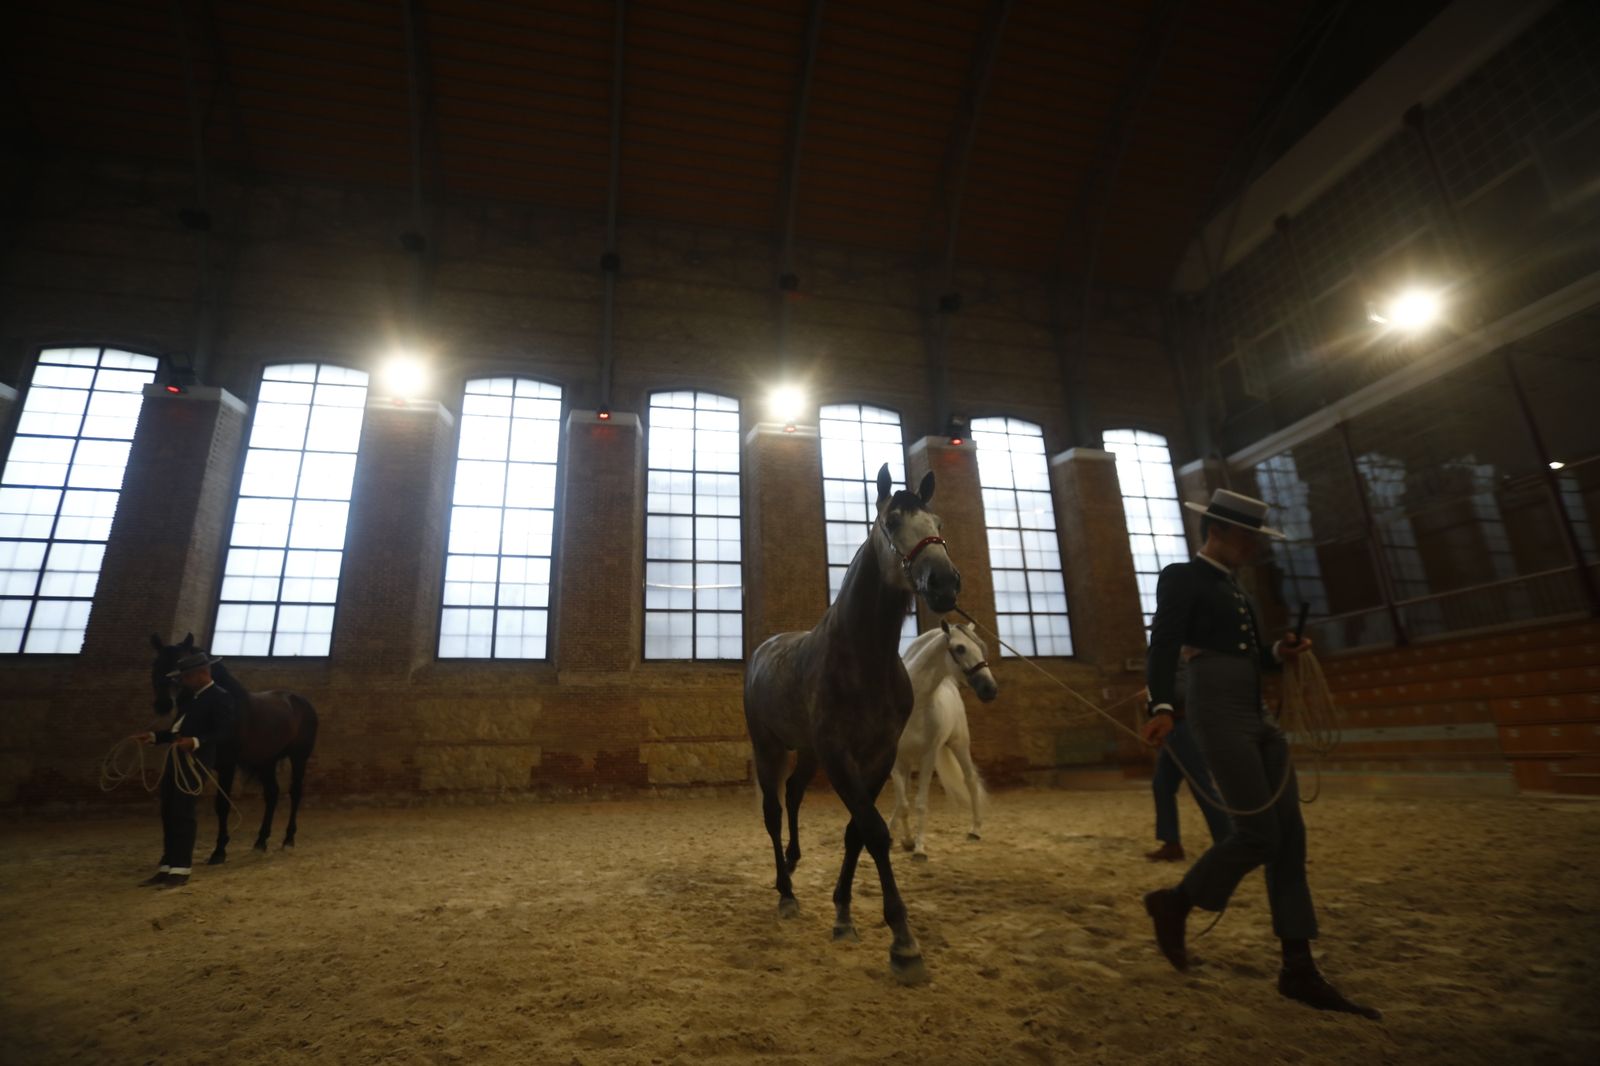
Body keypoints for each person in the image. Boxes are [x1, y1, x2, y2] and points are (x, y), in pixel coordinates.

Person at [1139, 489, 1379, 1020]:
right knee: (1258, 832)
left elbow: (1250, 653)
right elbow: (1164, 643)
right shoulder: (1183, 576)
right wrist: (1160, 704)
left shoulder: (1237, 590)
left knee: (1290, 838)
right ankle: (1175, 903)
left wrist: (1279, 653)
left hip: (1256, 707)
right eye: (1247, 536)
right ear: (1219, 531)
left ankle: (1298, 968)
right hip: (1216, 709)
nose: (1252, 547)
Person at [131, 651, 235, 888]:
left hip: (195, 762)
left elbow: (224, 731)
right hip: (176, 759)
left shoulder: (221, 697)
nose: (183, 681)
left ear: (202, 673)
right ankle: (167, 866)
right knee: (169, 811)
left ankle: (181, 869)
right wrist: (154, 736)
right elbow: (177, 731)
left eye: (186, 677)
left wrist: (196, 742)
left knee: (183, 812)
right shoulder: (190, 699)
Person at [1143, 658, 1232, 862]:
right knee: (1162, 786)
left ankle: (1228, 841)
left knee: (1201, 787)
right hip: (1173, 729)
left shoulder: (1179, 655)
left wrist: (1157, 700)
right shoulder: (1162, 655)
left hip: (1184, 727)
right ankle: (1171, 843)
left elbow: (1182, 691)